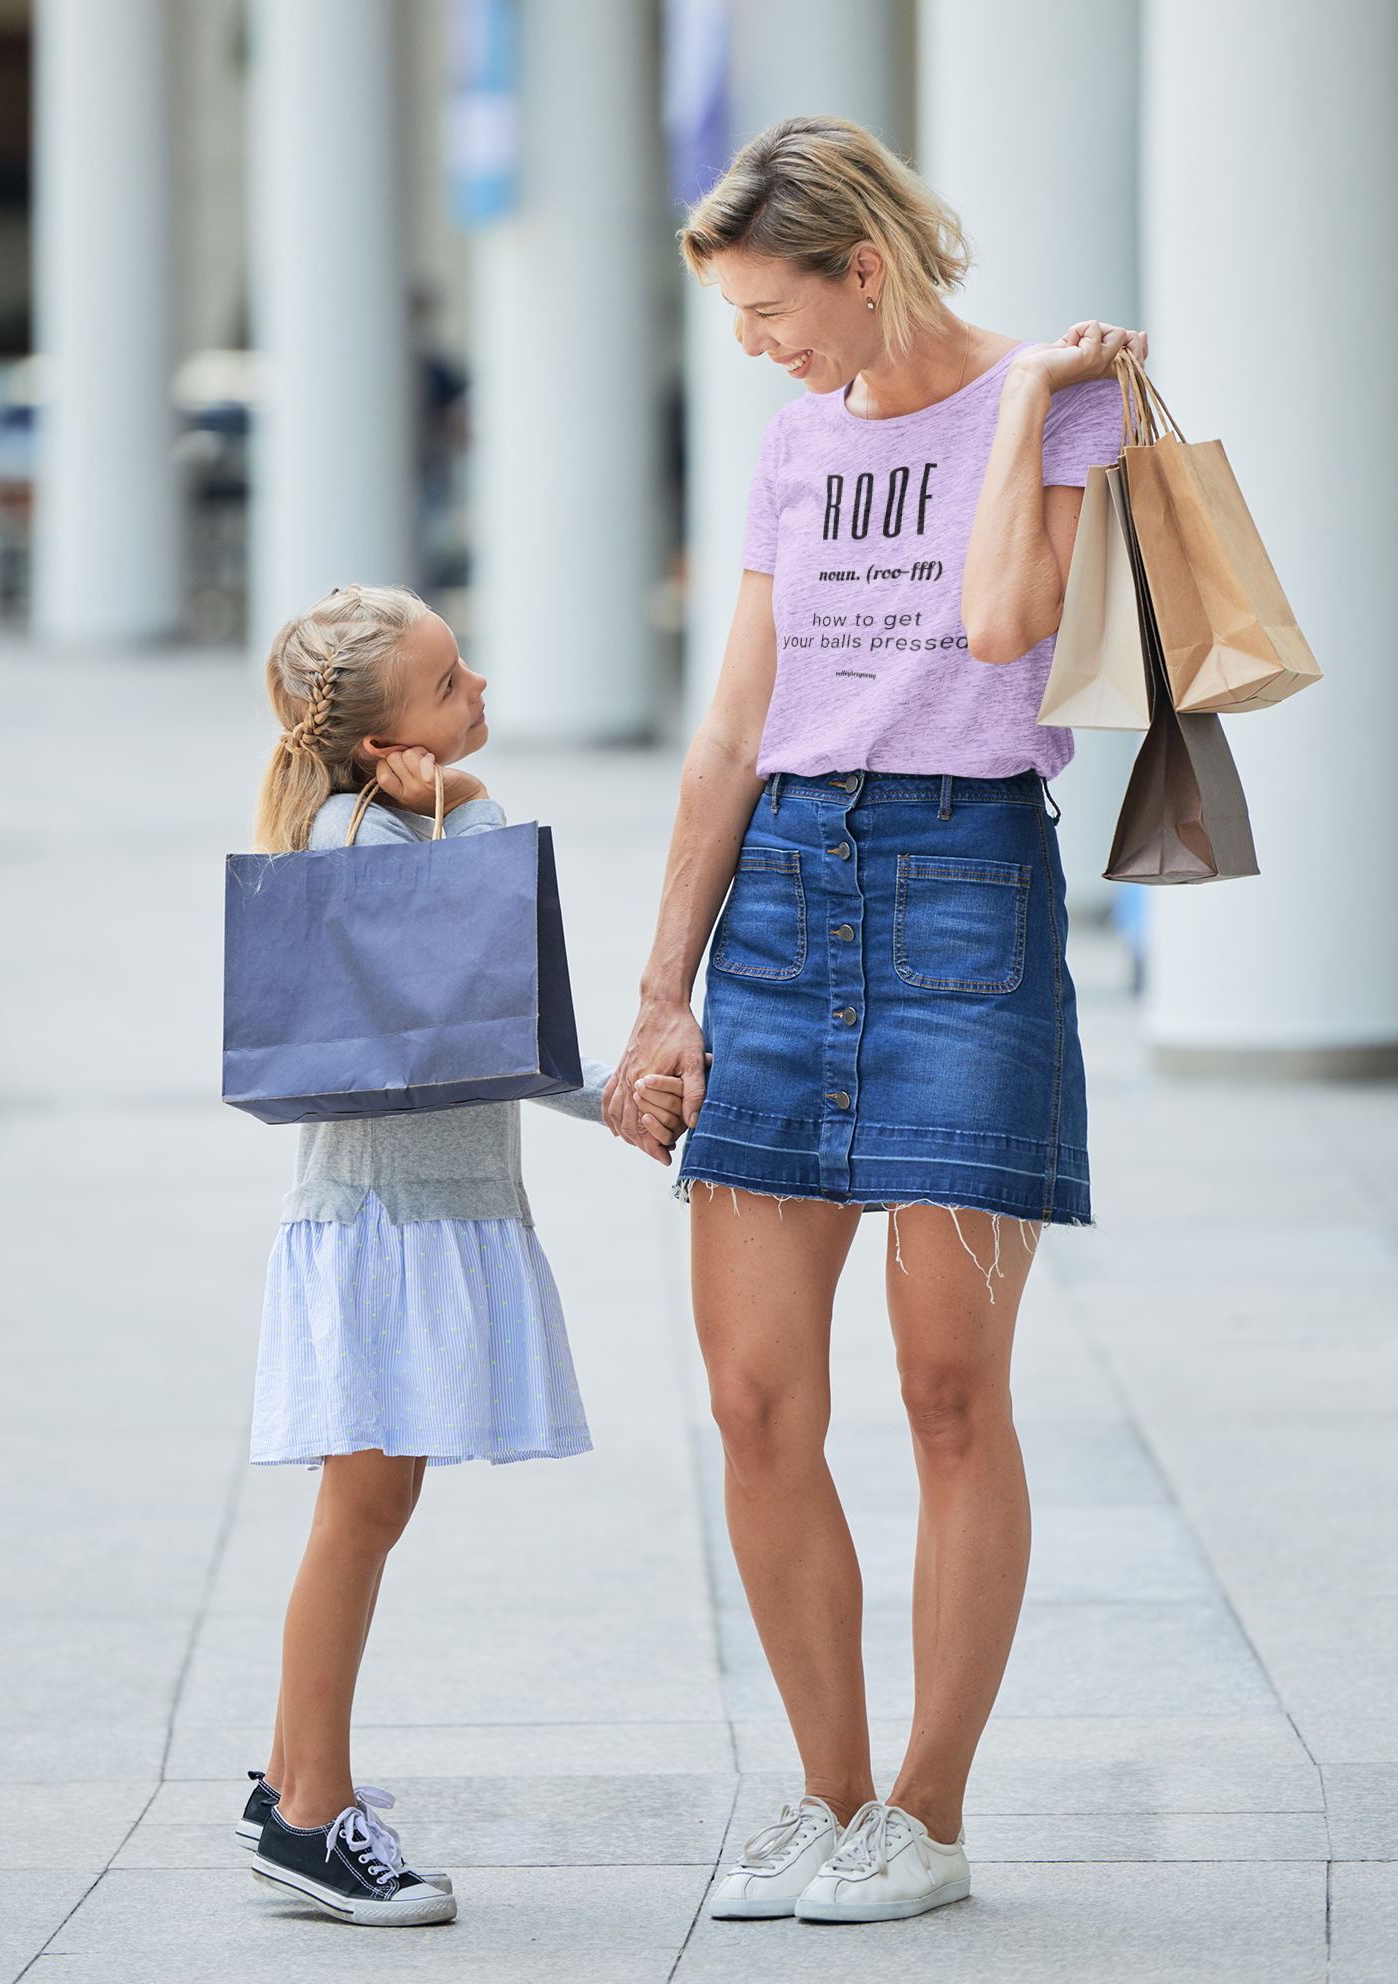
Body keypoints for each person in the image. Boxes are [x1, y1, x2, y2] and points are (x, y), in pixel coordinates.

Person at [605, 117, 1142, 1926]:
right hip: (781, 908)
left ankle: (925, 1809)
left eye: (774, 308)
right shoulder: (788, 445)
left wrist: (1032, 401)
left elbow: (1004, 625)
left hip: (961, 889)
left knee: (945, 1392)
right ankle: (825, 1797)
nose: (759, 344)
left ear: (867, 266)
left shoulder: (1054, 400)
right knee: (756, 1397)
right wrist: (664, 992)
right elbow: (731, 732)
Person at [237, 584, 683, 1926]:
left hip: (397, 1217)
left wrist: (613, 1096)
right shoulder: (386, 833)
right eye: (448, 686)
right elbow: (484, 1002)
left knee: (361, 1513)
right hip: (394, 1224)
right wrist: (464, 800)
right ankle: (310, 1819)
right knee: (361, 1517)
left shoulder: (358, 822)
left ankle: (294, 1777)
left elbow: (483, 1028)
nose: (476, 688)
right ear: (385, 747)